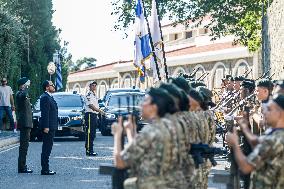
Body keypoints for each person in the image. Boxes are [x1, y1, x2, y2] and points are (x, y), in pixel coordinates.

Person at [113, 88, 185, 189]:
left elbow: (120, 162)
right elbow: (142, 150)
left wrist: (117, 134)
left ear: (154, 107)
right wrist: (131, 132)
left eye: (145, 101)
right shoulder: (170, 126)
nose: (141, 104)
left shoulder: (150, 131)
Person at [226, 94, 284, 189]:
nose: (265, 112)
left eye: (269, 109)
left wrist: (235, 144)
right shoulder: (276, 133)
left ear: (281, 113)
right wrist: (245, 128)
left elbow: (246, 167)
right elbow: (258, 144)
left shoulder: (273, 139)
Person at [40, 80, 58, 175]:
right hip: (48, 127)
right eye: (52, 85)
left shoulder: (49, 97)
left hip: (51, 126)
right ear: (47, 87)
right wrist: (46, 126)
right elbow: (45, 113)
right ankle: (45, 169)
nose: (53, 86)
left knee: (48, 148)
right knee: (46, 148)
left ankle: (45, 168)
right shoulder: (45, 97)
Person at [16, 77, 33, 173]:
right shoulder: (20, 94)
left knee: (25, 146)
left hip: (27, 123)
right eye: (26, 83)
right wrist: (26, 87)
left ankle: (23, 166)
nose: (28, 84)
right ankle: (22, 167)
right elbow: (23, 95)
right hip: (24, 123)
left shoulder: (23, 94)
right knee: (23, 146)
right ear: (23, 85)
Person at [84, 81, 104, 156]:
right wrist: (99, 111)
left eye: (95, 85)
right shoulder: (88, 95)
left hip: (94, 115)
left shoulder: (94, 95)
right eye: (93, 85)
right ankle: (89, 150)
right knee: (89, 133)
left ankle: (91, 149)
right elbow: (90, 106)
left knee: (93, 133)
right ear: (89, 86)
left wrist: (99, 111)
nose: (94, 86)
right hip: (89, 115)